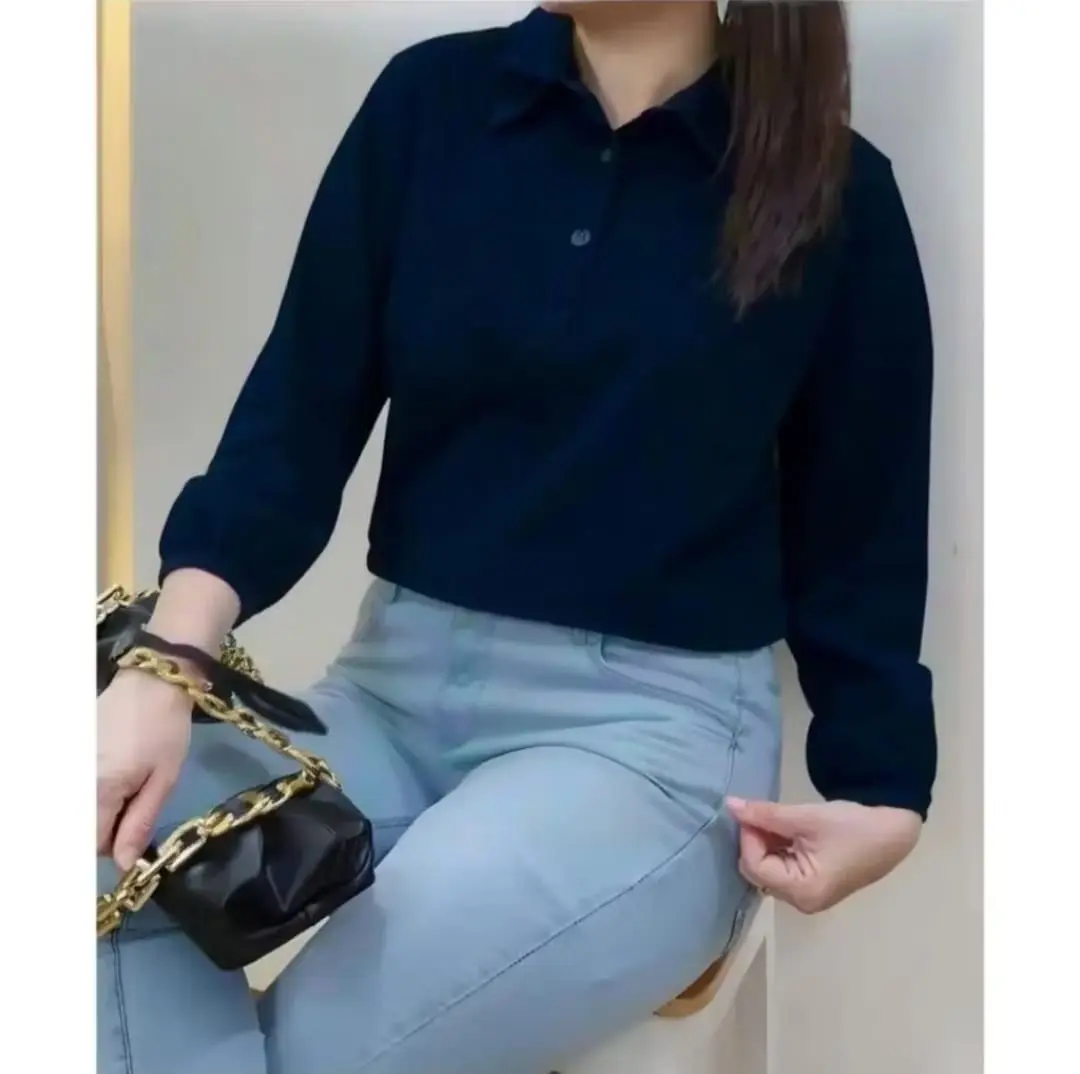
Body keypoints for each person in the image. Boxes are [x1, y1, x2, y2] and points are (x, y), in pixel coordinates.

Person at [96, 3, 936, 1072]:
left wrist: (885, 794)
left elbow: (862, 531)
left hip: (643, 742)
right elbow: (290, 425)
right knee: (76, 838)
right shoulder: (431, 105)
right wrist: (166, 667)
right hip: (389, 693)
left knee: (325, 1043)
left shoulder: (835, 189)